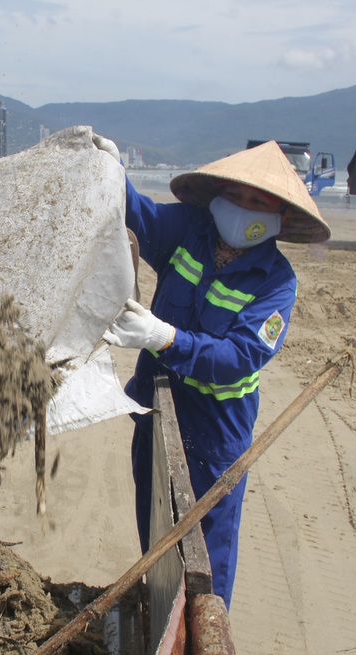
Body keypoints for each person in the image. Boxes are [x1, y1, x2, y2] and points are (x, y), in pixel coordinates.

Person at [100, 138, 331, 608]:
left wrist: (165, 337)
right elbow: (137, 212)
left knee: (206, 564)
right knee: (158, 541)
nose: (244, 209)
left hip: (214, 437)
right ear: (219, 196)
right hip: (157, 410)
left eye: (259, 203)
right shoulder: (188, 229)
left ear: (279, 216)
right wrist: (111, 169)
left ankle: (200, 645)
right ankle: (160, 620)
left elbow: (239, 358)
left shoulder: (276, 283)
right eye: (238, 196)